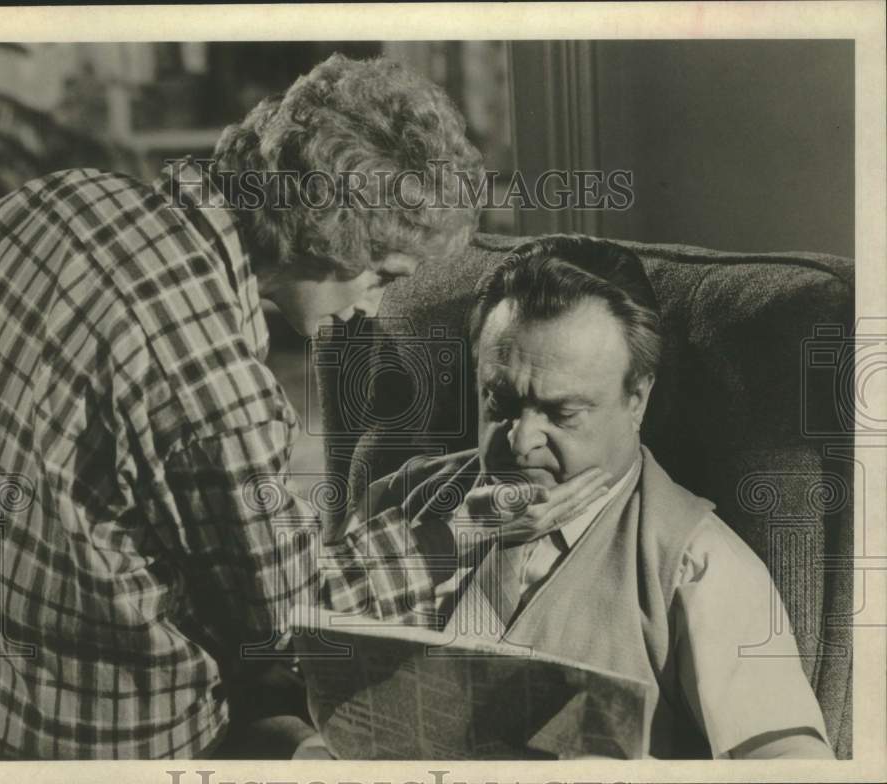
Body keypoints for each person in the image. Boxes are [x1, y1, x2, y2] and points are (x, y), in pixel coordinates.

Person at [0, 53, 483, 760]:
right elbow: (290, 619)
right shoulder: (216, 381)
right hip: (95, 743)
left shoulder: (53, 198)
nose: (373, 304)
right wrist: (450, 534)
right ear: (331, 235)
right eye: (382, 275)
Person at [322, 235, 833, 760]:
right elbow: (293, 673)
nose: (520, 442)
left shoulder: (697, 566)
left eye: (562, 414)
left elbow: (791, 761)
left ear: (637, 399)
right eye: (499, 401)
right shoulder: (398, 497)